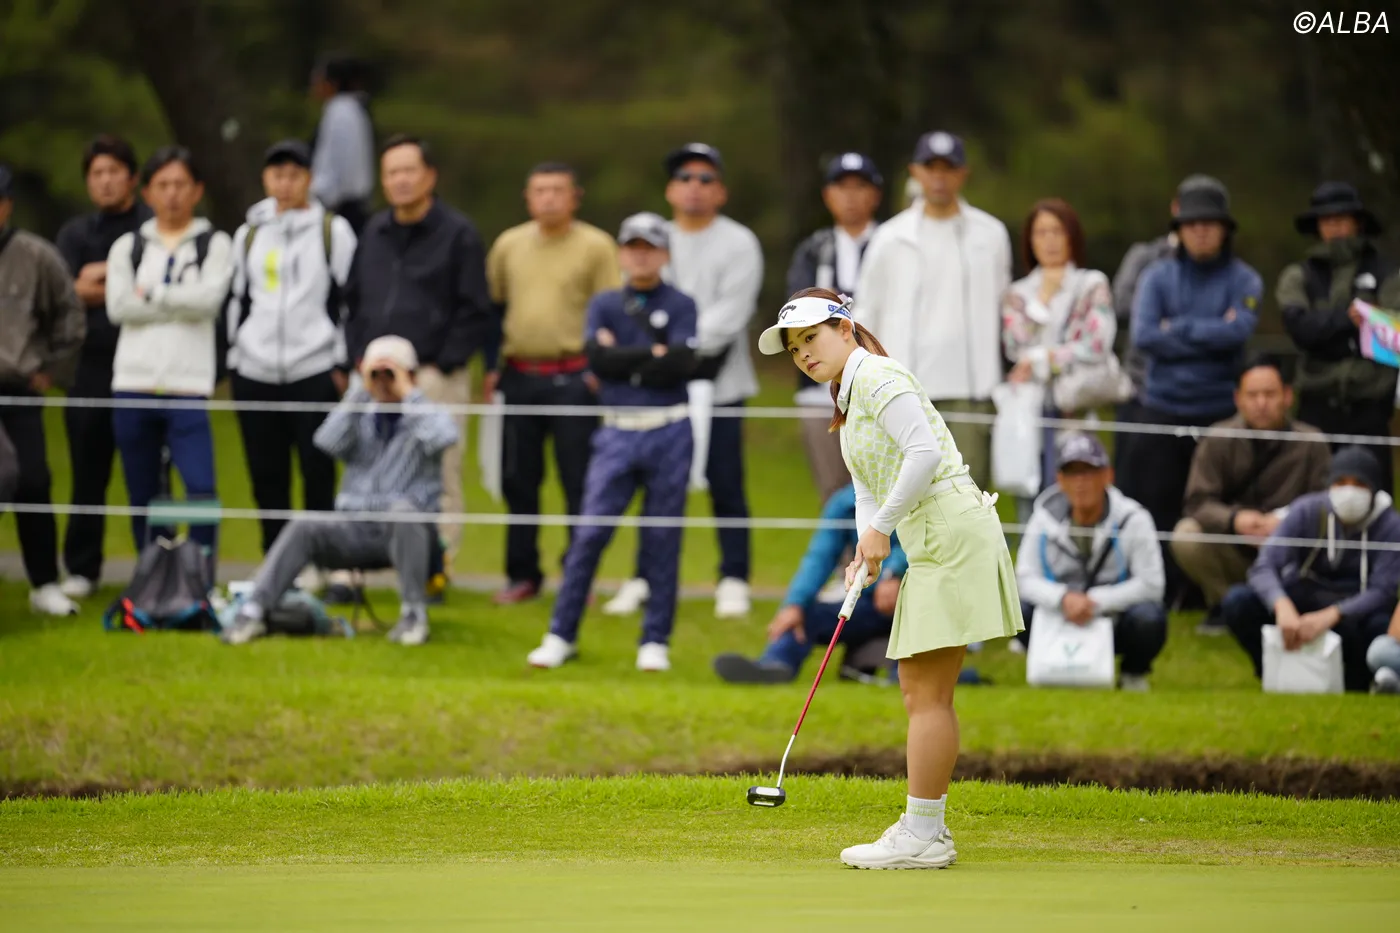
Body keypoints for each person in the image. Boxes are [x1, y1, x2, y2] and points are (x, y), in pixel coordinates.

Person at [756, 285, 1022, 870]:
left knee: (925, 692)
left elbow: (924, 453)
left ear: (844, 329)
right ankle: (928, 829)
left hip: (949, 533)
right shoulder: (848, 395)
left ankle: (923, 834)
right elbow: (866, 487)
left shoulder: (877, 376)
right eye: (795, 348)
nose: (803, 353)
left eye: (811, 338)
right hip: (933, 539)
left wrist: (882, 530)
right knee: (920, 689)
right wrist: (866, 549)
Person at [525, 213, 698, 672]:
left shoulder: (681, 304)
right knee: (589, 535)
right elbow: (598, 361)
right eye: (632, 247)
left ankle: (655, 640)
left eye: (649, 248)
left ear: (664, 254)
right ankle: (561, 634)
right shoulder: (604, 304)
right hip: (617, 430)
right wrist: (649, 356)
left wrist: (625, 357)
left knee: (662, 538)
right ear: (621, 253)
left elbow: (681, 363)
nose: (640, 256)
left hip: (669, 429)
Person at [605, 143, 763, 619]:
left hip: (721, 383)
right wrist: (662, 354)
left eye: (705, 178)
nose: (695, 187)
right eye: (685, 178)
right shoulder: (655, 238)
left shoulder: (739, 242)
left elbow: (732, 313)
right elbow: (638, 301)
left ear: (721, 191)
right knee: (654, 483)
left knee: (726, 482)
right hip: (660, 387)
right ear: (671, 189)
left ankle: (733, 577)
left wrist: (675, 346)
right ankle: (643, 576)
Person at [220, 335, 458, 647]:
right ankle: (253, 611)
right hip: (355, 528)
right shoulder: (360, 415)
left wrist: (407, 394)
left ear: (411, 375)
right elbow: (325, 442)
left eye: (391, 373)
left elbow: (442, 438)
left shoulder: (428, 414)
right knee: (304, 525)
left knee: (404, 512)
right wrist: (360, 393)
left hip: (408, 533)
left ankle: (414, 615)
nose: (384, 382)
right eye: (376, 374)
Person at [344, 134, 492, 579]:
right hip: (373, 375)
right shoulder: (374, 232)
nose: (401, 180)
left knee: (439, 471)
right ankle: (358, 567)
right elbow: (354, 301)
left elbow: (475, 308)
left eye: (409, 170)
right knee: (365, 467)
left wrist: (441, 364)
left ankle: (433, 568)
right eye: (392, 172)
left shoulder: (458, 234)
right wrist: (358, 356)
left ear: (430, 176)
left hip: (432, 375)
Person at [1119, 179, 1262, 610]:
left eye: (1209, 223)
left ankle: (1209, 593)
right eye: (1191, 223)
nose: (1200, 231)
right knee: (1155, 504)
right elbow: (1145, 335)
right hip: (1162, 406)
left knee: (1214, 506)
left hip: (1221, 411)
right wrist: (1212, 330)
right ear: (1179, 229)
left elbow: (1240, 331)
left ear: (1225, 230)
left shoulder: (1245, 279)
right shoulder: (1156, 275)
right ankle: (1159, 592)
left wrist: (1176, 328)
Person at [485, 163, 621, 605]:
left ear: (575, 197)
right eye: (539, 190)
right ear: (527, 197)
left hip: (575, 378)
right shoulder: (508, 244)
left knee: (578, 480)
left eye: (557, 190)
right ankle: (521, 574)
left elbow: (611, 310)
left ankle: (577, 575)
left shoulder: (596, 246)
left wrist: (600, 370)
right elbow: (494, 306)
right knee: (518, 479)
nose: (548, 198)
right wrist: (490, 366)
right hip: (520, 374)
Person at [856, 131, 1012, 493]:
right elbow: (866, 313)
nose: (939, 177)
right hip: (902, 390)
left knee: (969, 496)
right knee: (906, 499)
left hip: (971, 391)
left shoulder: (991, 234)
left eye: (948, 168)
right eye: (931, 168)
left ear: (963, 173)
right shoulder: (889, 237)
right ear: (916, 172)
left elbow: (1005, 309)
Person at [227, 139, 357, 556]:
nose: (285, 184)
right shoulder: (249, 234)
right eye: (277, 175)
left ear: (309, 179)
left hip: (313, 367)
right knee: (266, 475)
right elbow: (238, 300)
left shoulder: (332, 231)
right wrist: (235, 359)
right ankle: (276, 563)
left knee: (317, 471)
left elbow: (349, 301)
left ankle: (320, 560)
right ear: (265, 179)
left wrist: (341, 363)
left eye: (294, 175)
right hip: (255, 370)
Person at [105, 146, 233, 558]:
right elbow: (118, 307)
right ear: (147, 193)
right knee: (144, 492)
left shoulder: (214, 243)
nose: (172, 194)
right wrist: (180, 299)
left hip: (188, 385)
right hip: (134, 383)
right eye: (162, 185)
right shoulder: (128, 247)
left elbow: (209, 302)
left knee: (200, 488)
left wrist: (153, 293)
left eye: (180, 184)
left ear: (197, 190)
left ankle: (198, 574)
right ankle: (153, 574)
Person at [52, 135, 152, 599]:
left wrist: (97, 278)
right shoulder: (75, 234)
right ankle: (82, 569)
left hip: (146, 366)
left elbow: (151, 288)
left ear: (133, 178)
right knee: (87, 472)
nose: (106, 181)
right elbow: (63, 292)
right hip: (89, 370)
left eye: (114, 171)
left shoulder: (151, 228)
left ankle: (154, 565)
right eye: (97, 173)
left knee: (147, 474)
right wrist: (119, 282)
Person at [1172, 355, 1331, 633]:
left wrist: (1287, 523)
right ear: (1238, 399)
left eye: (1270, 394)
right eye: (1253, 395)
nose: (1261, 403)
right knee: (1186, 536)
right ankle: (1229, 606)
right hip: (1236, 545)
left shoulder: (1312, 443)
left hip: (1292, 551)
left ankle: (1287, 604)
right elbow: (1197, 502)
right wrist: (1235, 520)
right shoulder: (1218, 438)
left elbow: (1327, 507)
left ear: (1288, 396)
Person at [1221, 446, 1400, 693]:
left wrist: (1332, 615)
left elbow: (1383, 591)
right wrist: (1282, 606)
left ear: (1374, 489)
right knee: (1238, 601)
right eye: (1341, 482)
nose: (1349, 492)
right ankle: (1271, 669)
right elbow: (1264, 566)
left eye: (1359, 484)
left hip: (1354, 610)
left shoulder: (1391, 525)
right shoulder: (1307, 510)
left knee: (1380, 628)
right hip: (1303, 598)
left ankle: (1358, 682)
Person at [712, 483, 907, 684]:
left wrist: (893, 573)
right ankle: (775, 665)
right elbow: (819, 557)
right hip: (871, 601)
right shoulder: (846, 501)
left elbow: (920, 541)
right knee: (804, 615)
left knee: (916, 610)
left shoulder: (917, 489)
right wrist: (795, 603)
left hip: (916, 598)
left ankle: (906, 677)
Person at [0, 163, 87, 616]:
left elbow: (70, 315)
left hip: (18, 386)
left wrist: (52, 369)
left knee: (32, 479)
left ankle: (43, 583)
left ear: (8, 205)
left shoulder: (36, 255)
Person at [1016, 432, 1167, 690]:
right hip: (1057, 615)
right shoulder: (1042, 517)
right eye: (1072, 473)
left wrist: (1096, 602)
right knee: (1017, 610)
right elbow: (1023, 578)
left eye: (1089, 472)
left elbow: (1152, 584)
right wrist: (1063, 599)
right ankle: (1049, 664)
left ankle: (1133, 673)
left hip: (1113, 618)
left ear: (1108, 476)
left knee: (1150, 617)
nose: (1080, 482)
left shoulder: (1134, 519)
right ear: (1060, 480)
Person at [1279, 181, 1400, 494]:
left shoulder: (1389, 273)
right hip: (1315, 406)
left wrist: (1326, 330)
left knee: (1374, 496)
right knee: (1311, 496)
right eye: (1326, 219)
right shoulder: (1298, 275)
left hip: (1370, 407)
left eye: (1341, 217)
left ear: (1357, 222)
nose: (1333, 225)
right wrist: (1350, 320)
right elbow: (1300, 330)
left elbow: (1394, 334)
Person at [1001, 198, 1116, 505]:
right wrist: (1044, 300)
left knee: (1078, 493)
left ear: (1072, 236)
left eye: (1058, 231)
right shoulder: (1018, 293)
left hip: (1075, 408)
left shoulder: (1091, 284)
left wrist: (1041, 359)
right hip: (1029, 414)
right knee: (1028, 495)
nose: (1050, 240)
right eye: (1041, 232)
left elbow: (1096, 344)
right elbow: (1014, 346)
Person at [1109, 175, 1226, 472]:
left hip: (1205, 396)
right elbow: (1121, 304)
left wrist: (1167, 322)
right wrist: (1205, 326)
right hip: (1140, 391)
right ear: (1175, 209)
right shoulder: (1144, 256)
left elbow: (1233, 330)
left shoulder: (1227, 268)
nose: (1200, 226)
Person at [785, 152, 883, 503]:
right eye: (842, 187)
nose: (851, 196)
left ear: (876, 195)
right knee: (834, 493)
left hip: (880, 383)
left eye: (860, 187)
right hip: (820, 389)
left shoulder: (893, 243)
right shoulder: (813, 250)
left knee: (882, 487)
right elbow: (795, 314)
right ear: (828, 195)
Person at [308, 54, 375, 234]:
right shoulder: (353, 108)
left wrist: (314, 196)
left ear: (332, 83)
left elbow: (332, 165)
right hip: (352, 204)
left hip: (343, 207)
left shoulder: (340, 112)